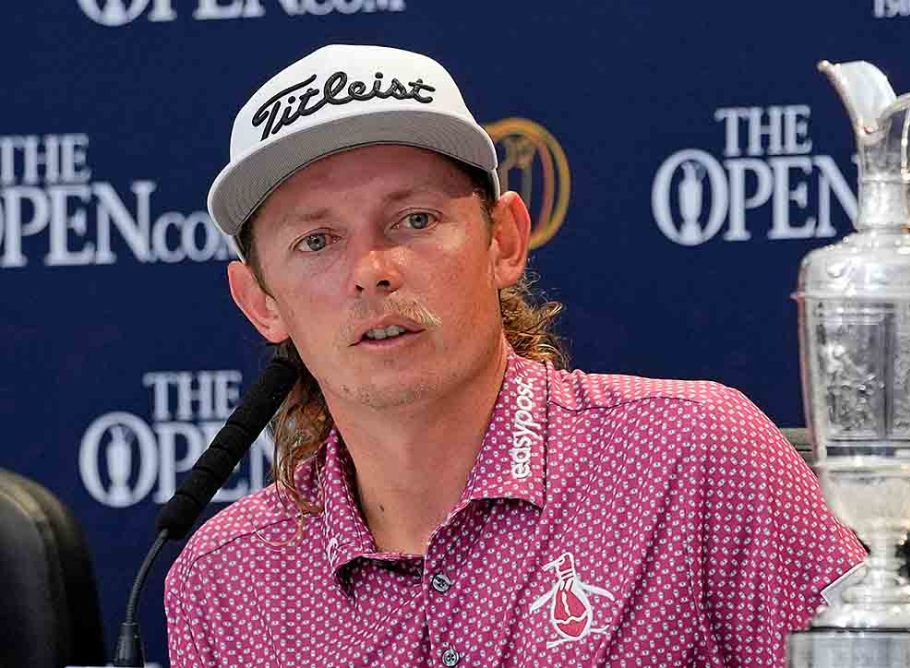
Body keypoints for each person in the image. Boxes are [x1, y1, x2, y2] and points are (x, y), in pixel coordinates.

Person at [164, 44, 864, 667]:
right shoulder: (223, 582)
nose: (371, 270)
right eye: (317, 241)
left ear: (504, 239)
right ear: (261, 302)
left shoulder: (697, 456)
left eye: (415, 220)